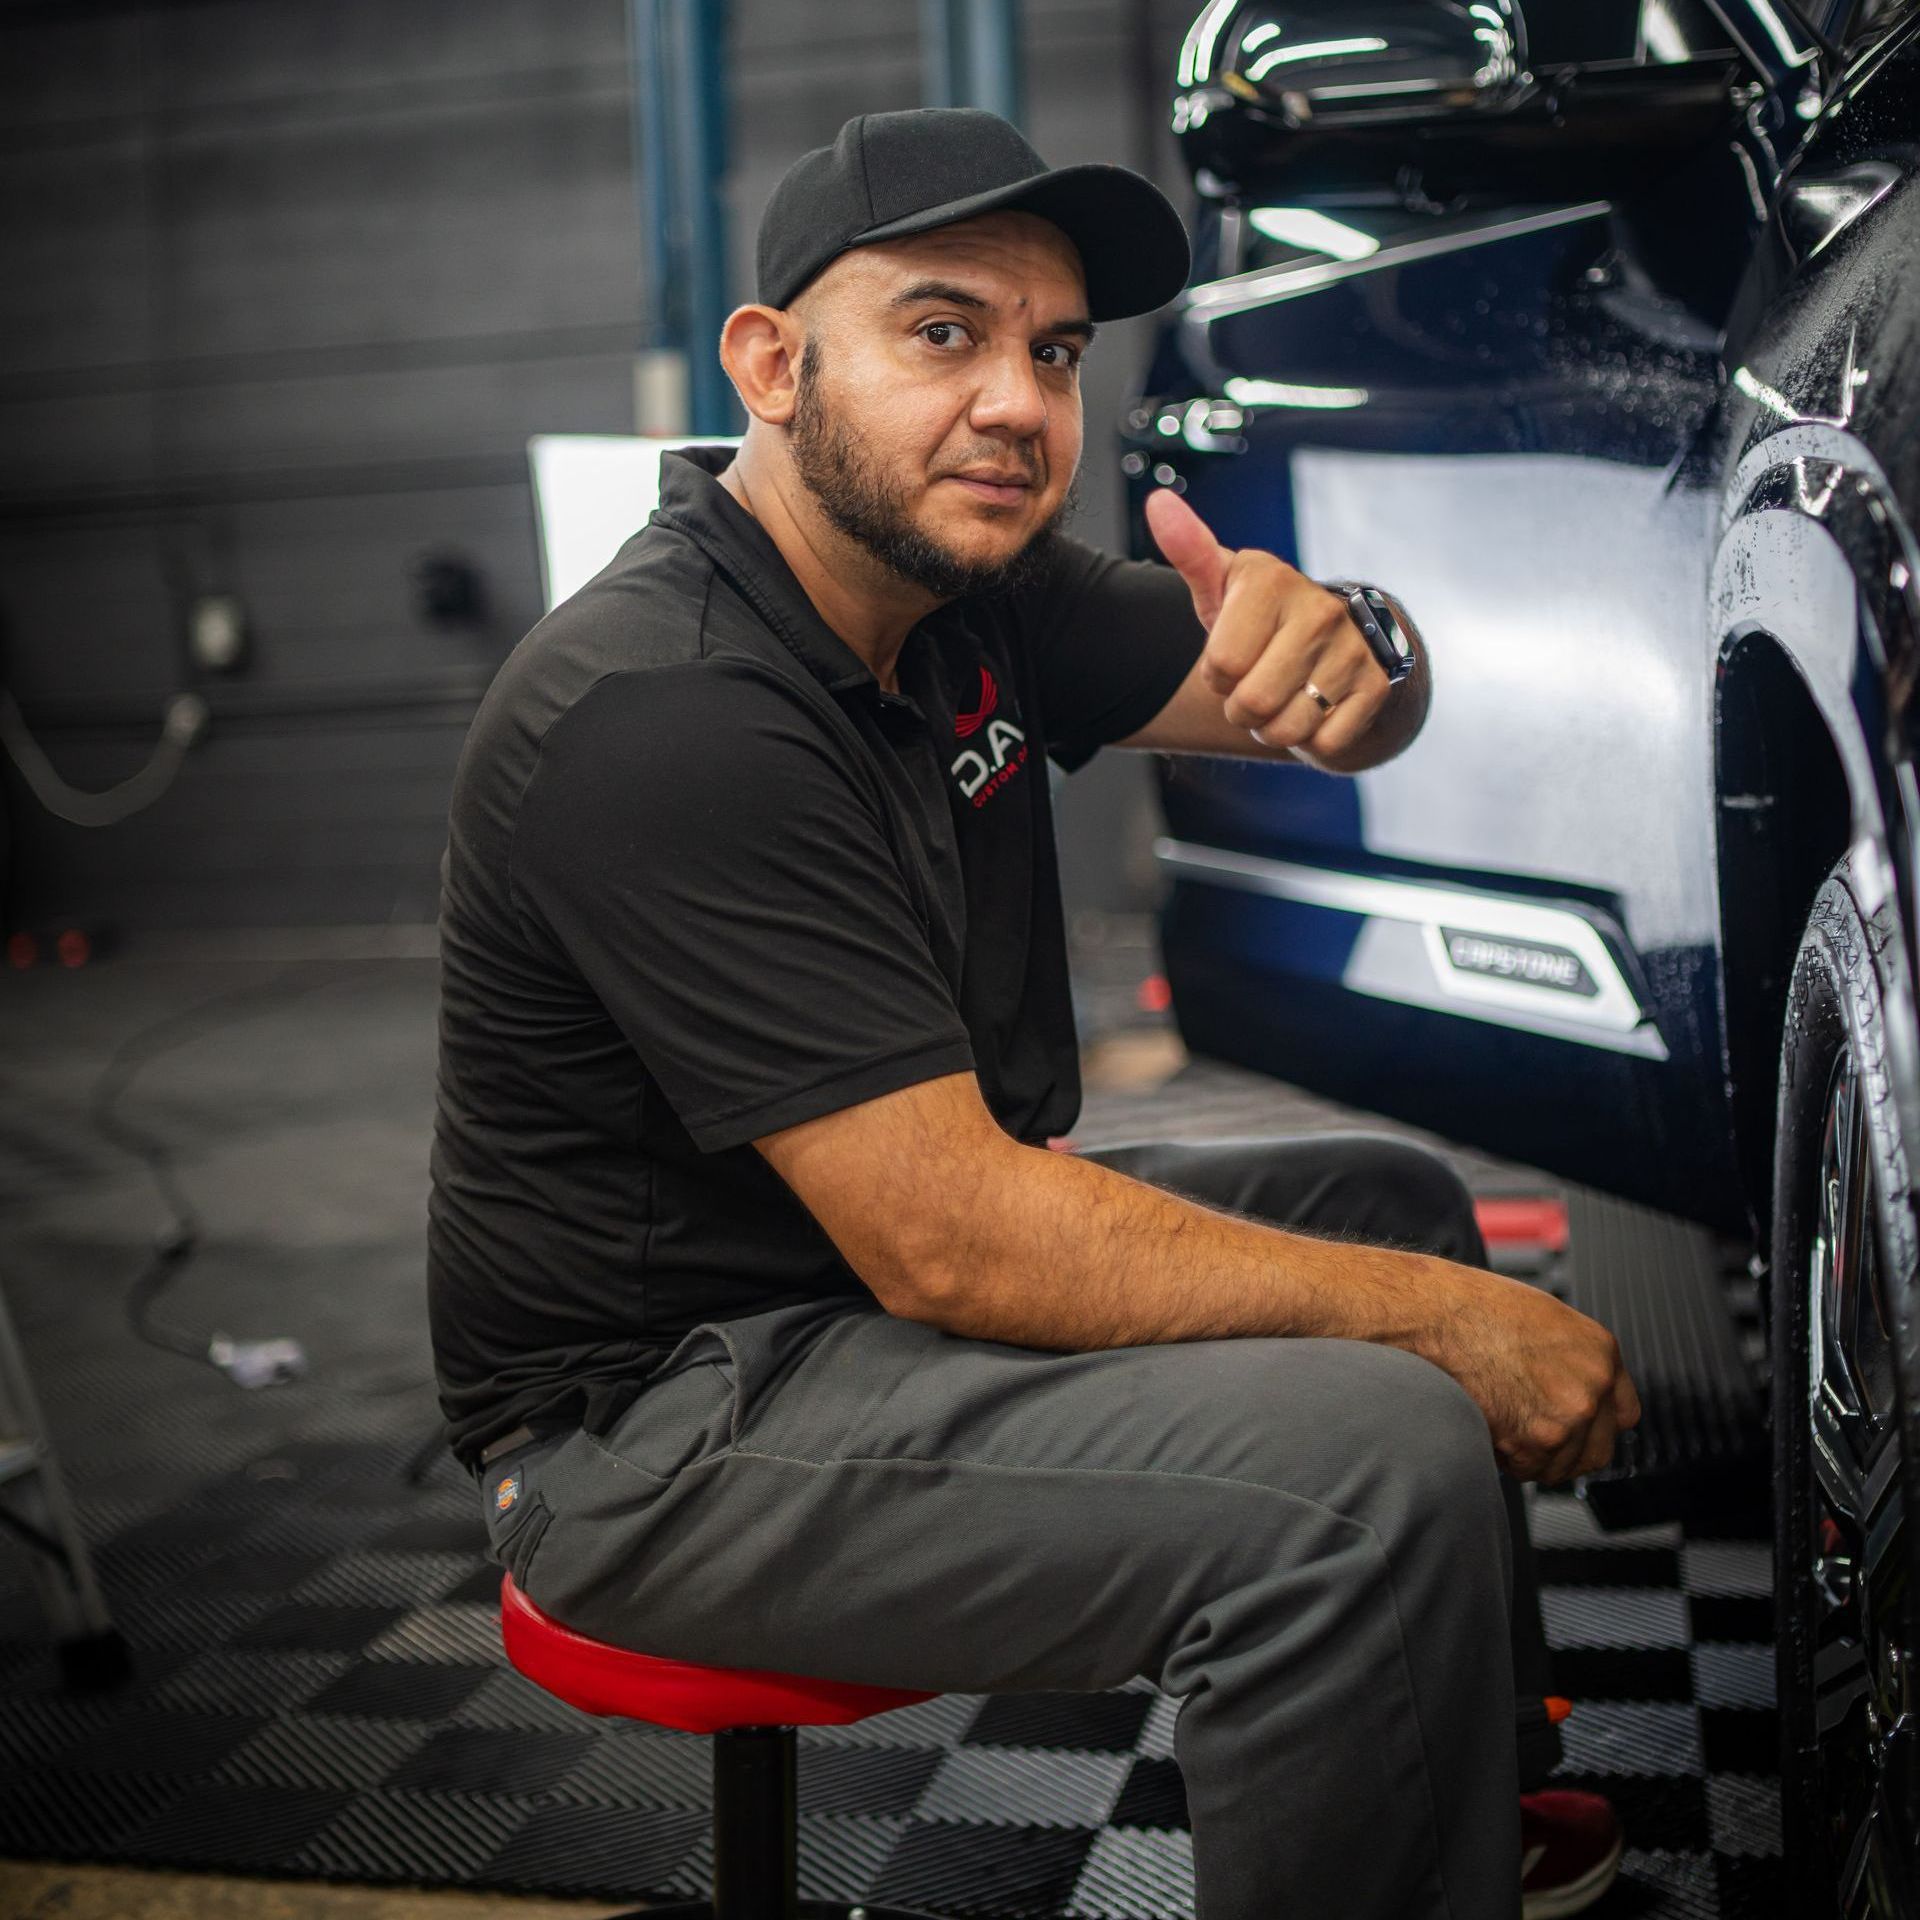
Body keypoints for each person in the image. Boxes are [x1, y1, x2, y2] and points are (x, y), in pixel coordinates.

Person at [427, 106, 1641, 1920]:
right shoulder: (664, 707)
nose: (1016, 402)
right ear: (772, 365)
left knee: (1391, 1200)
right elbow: (960, 1243)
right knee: (1367, 1463)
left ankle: (1449, 1799)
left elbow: (1314, 706)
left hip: (848, 1294)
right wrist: (1456, 1332)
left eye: (1052, 351)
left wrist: (1359, 641)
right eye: (942, 332)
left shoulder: (961, 592)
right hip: (651, 1438)